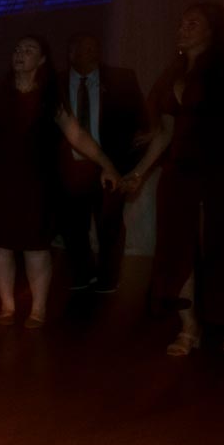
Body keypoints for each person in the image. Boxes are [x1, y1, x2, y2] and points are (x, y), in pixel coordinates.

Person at [0, 37, 121, 327]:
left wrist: (107, 165)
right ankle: (7, 306)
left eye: (29, 50)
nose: (21, 53)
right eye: (18, 49)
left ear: (42, 60)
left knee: (36, 246)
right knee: (1, 245)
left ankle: (38, 308)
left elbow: (77, 135)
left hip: (38, 184)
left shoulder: (50, 95)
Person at [123, 4, 224, 354]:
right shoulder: (174, 74)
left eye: (192, 23)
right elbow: (167, 132)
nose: (182, 28)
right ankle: (189, 327)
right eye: (181, 23)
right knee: (176, 250)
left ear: (213, 32)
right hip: (180, 174)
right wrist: (138, 173)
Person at [58, 33, 148, 293]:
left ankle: (108, 278)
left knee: (109, 224)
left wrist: (132, 166)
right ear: (70, 53)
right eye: (83, 47)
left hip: (111, 165)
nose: (90, 51)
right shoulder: (56, 83)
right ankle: (81, 273)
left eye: (93, 47)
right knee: (72, 225)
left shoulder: (122, 79)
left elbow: (140, 124)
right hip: (70, 167)